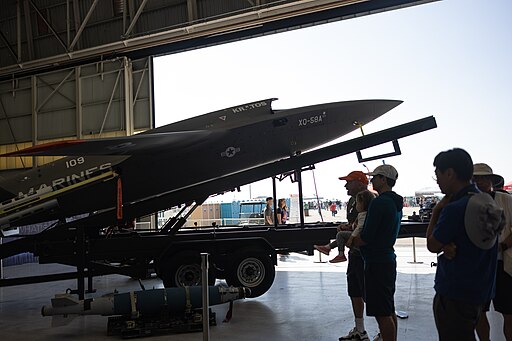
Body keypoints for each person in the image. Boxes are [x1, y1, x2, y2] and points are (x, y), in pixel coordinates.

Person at [426, 149, 504, 341]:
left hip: (455, 292)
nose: (437, 181)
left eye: (438, 175)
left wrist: (436, 211)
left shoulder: (453, 208)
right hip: (480, 290)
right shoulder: (486, 201)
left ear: (450, 173)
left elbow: (432, 244)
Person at [315, 170, 370, 341]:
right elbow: (357, 223)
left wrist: (351, 230)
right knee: (354, 290)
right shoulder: (352, 201)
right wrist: (347, 227)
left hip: (364, 254)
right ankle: (360, 329)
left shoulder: (369, 199)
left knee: (371, 293)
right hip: (354, 253)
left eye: (349, 181)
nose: (346, 185)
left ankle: (384, 331)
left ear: (361, 183)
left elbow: (367, 225)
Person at [352, 164, 402, 341]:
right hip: (388, 259)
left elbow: (366, 236)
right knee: (388, 308)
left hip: (376, 262)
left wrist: (350, 240)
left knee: (382, 314)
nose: (372, 180)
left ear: (383, 179)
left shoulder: (379, 202)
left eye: (375, 177)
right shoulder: (396, 202)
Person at [472, 163, 512, 341]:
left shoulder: (506, 200)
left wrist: (503, 245)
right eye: (475, 179)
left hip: (504, 264)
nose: (479, 182)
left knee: (509, 313)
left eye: (483, 178)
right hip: (479, 266)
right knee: (479, 311)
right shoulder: (468, 202)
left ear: (491, 180)